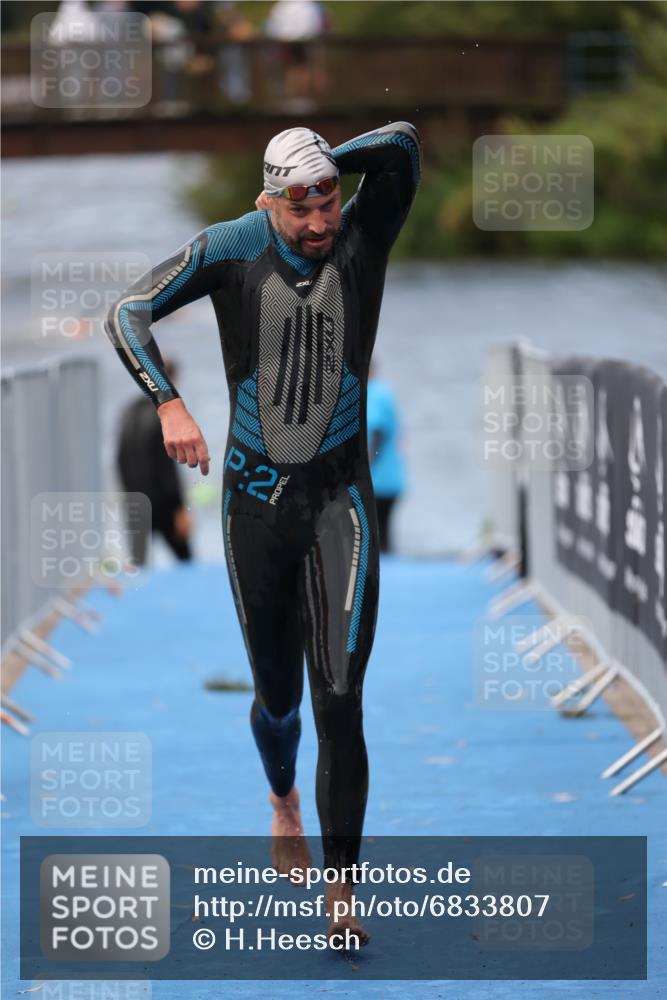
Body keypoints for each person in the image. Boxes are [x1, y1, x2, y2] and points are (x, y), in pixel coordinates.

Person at [105, 121, 421, 947]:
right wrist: (169, 402)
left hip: (337, 503)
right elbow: (128, 313)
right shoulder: (230, 246)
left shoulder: (363, 235)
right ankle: (281, 798)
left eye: (326, 202)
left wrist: (323, 161)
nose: (319, 224)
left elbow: (403, 146)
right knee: (279, 700)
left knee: (341, 698)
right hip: (253, 510)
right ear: (265, 201)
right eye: (299, 207)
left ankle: (342, 892)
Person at [116, 358, 193, 566]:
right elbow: (167, 469)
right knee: (186, 561)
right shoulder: (165, 418)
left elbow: (119, 460)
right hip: (163, 504)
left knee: (137, 564)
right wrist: (179, 509)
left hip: (135, 500)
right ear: (171, 380)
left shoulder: (127, 412)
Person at [367, 363, 406, 553]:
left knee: (375, 533)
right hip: (391, 477)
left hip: (378, 479)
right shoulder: (384, 392)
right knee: (383, 534)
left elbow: (377, 431)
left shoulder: (374, 393)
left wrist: (366, 464)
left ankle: (382, 574)